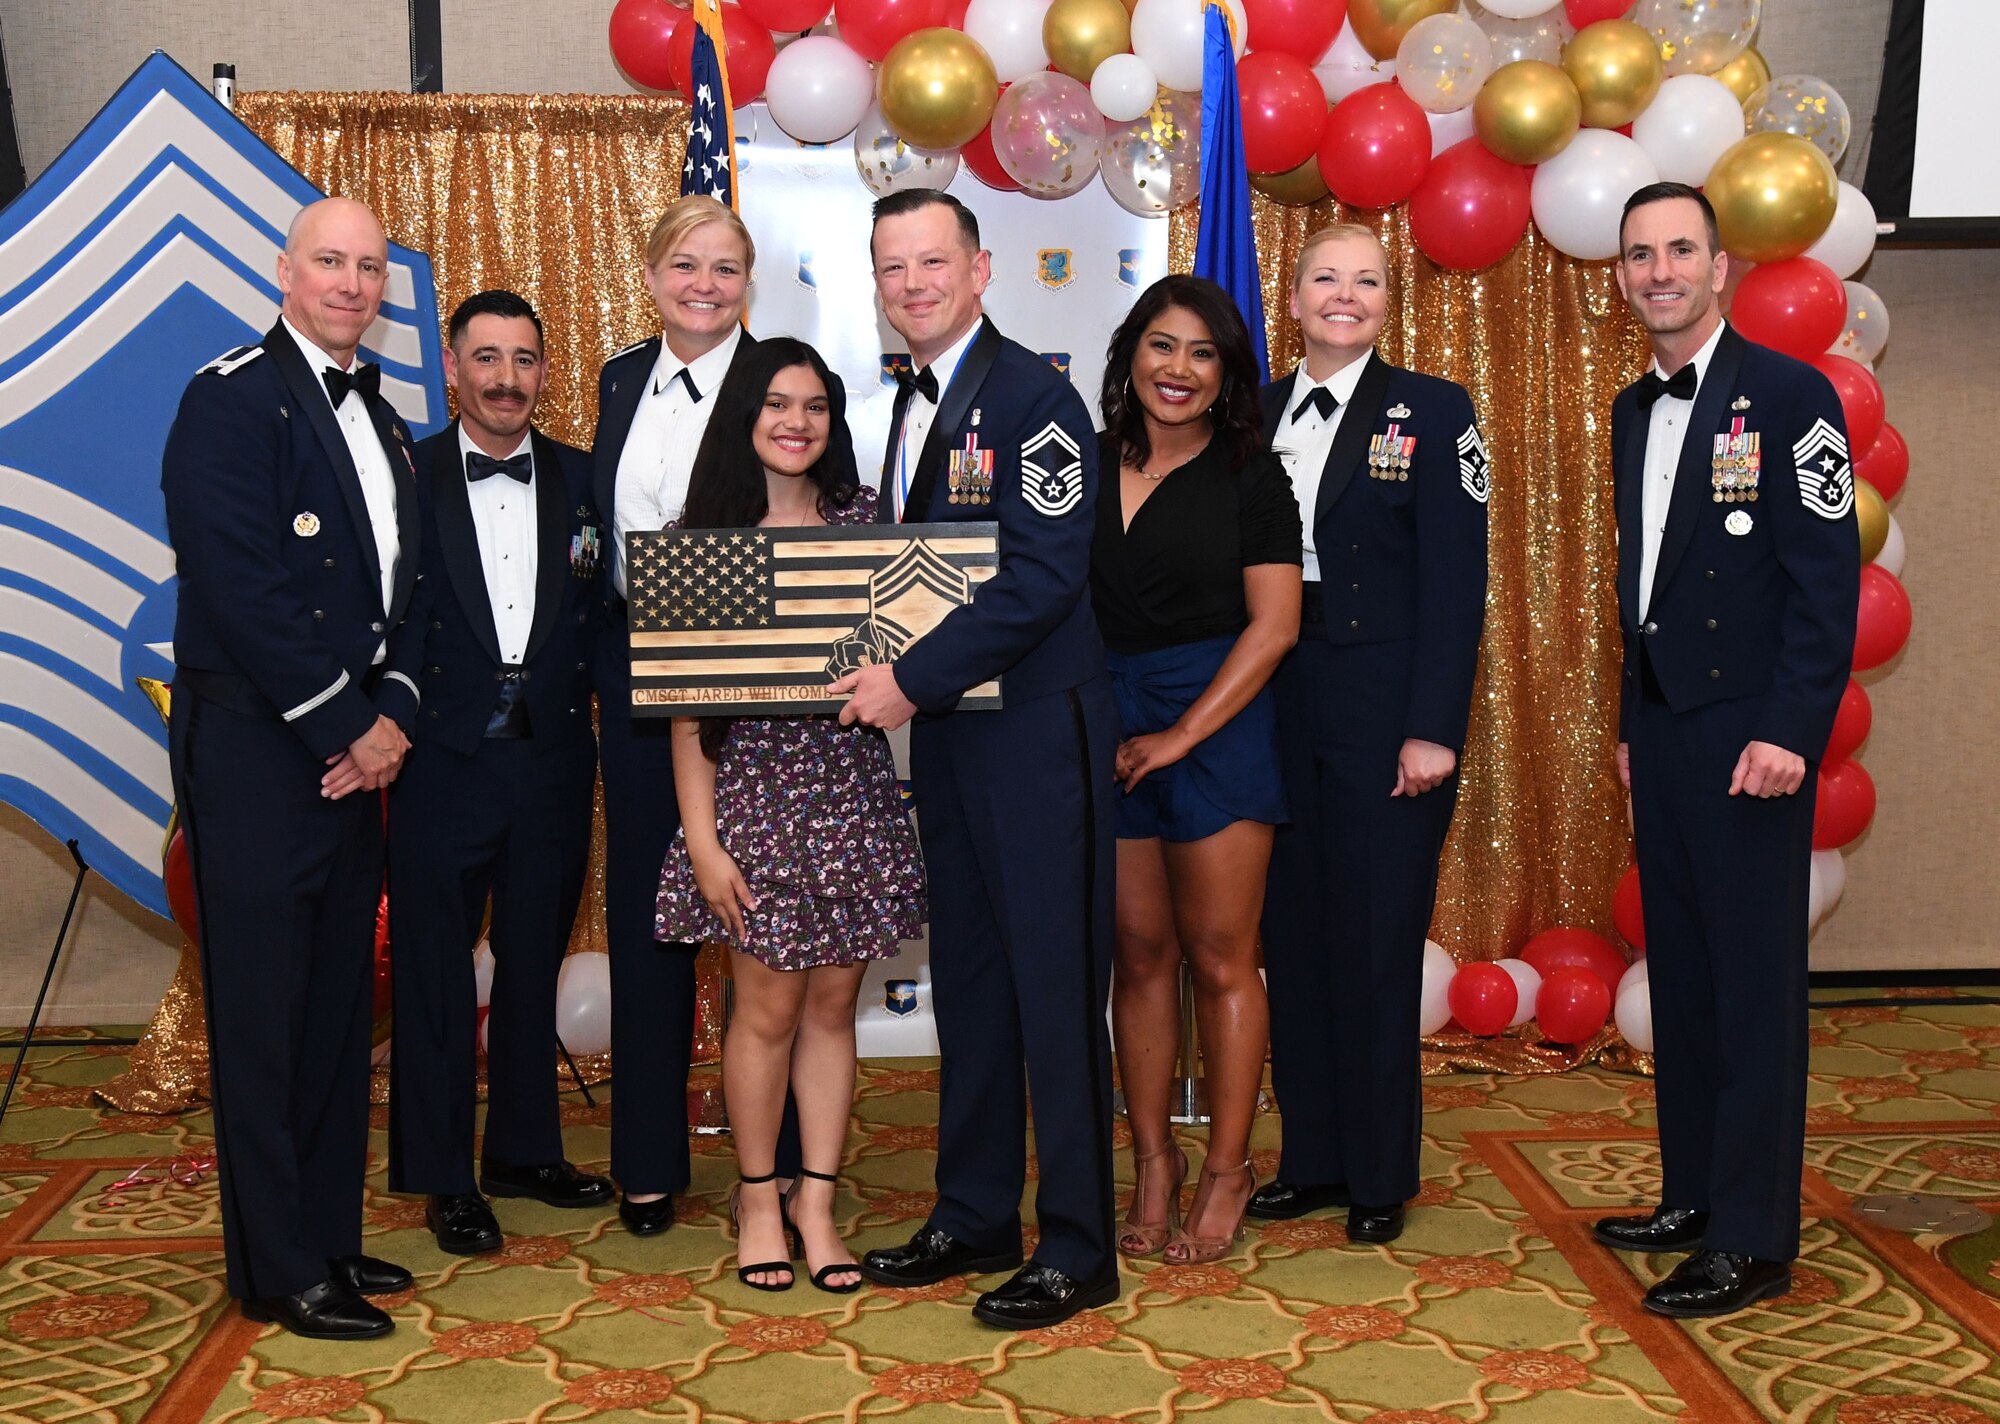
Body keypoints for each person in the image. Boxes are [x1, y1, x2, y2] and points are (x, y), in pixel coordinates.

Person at [836, 190, 1118, 1330]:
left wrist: (903, 681)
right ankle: (972, 1210)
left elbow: (1043, 577)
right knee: (975, 981)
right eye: (892, 266)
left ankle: (1079, 1245)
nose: (912, 283)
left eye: (931, 262)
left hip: (1035, 737)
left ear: (981, 268)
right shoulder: (909, 405)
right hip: (953, 739)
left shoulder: (1037, 401)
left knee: (1052, 989)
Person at [1595, 182, 1858, 1316]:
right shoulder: (1626, 406)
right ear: (1618, 276)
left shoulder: (1792, 393)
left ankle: (1752, 1233)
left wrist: (1788, 731)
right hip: (1662, 726)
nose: (1658, 270)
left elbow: (1824, 581)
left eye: (1678, 250)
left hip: (1753, 733)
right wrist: (1624, 715)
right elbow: (1638, 584)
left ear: (1716, 267)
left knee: (1752, 984)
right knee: (1686, 973)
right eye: (1638, 254)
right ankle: (1692, 1192)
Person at [161, 196, 421, 1339]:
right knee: (263, 1017)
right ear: (283, 271)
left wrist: (391, 717)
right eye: (330, 260)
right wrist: (343, 728)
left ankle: (324, 1230)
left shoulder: (388, 416)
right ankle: (273, 1264)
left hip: (355, 750)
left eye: (368, 266)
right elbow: (240, 583)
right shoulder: (227, 398)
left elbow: (411, 596)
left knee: (330, 1010)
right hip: (264, 749)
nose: (351, 282)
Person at [591, 195, 845, 1233]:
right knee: (650, 921)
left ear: (749, 283)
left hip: (755, 696)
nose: (703, 284)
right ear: (650, 276)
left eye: (725, 268)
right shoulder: (616, 380)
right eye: (684, 265)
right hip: (631, 674)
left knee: (773, 934)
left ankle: (782, 1167)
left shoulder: (779, 386)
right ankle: (647, 1157)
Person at [654, 338, 924, 1293]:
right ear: (745, 417)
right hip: (751, 801)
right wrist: (702, 844)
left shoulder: (865, 523)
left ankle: (817, 1199)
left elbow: (914, 655)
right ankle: (758, 1196)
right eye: (776, 404)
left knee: (831, 1007)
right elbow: (688, 717)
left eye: (814, 406)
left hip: (849, 792)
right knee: (764, 1009)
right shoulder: (704, 534)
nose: (796, 422)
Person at [1251, 223, 1490, 1244]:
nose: (1342, 295)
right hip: (1269, 712)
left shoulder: (1432, 411)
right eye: (1323, 278)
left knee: (1376, 943)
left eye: (1364, 280)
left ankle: (1379, 1170)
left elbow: (1455, 582)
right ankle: (1310, 1155)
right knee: (1289, 942)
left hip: (1384, 721)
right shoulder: (1249, 411)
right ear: (1291, 295)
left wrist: (1431, 727)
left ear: (1388, 300)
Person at [385, 291, 611, 1257]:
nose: (506, 379)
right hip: (438, 763)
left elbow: (608, 617)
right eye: (487, 358)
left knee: (530, 967)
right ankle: (442, 1174)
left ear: (545, 373)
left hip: (555, 763)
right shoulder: (406, 477)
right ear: (451, 366)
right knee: (437, 979)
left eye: (524, 360)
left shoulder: (584, 480)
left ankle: (522, 1151)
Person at [1090, 276, 1300, 1265]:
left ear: (1226, 375)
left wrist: (1179, 735)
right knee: (1137, 954)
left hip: (1214, 717)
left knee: (1220, 953)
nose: (1176, 368)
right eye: (1160, 346)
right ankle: (1152, 1163)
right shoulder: (1082, 464)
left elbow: (1275, 625)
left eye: (1201, 353)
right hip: (1108, 721)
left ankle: (1225, 1166)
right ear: (1130, 353)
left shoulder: (1253, 475)